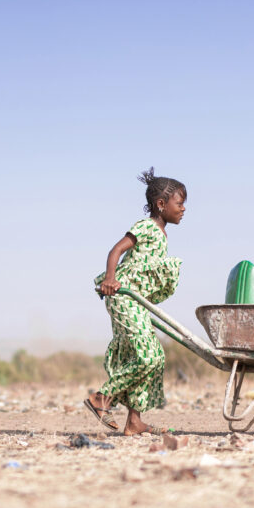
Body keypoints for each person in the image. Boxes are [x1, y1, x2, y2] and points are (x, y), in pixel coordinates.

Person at [84, 168, 187, 435]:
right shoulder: (145, 227)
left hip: (136, 302)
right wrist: (110, 278)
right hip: (123, 297)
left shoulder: (162, 234)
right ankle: (101, 398)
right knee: (148, 357)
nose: (184, 209)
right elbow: (116, 250)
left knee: (150, 357)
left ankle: (134, 420)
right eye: (180, 203)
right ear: (161, 204)